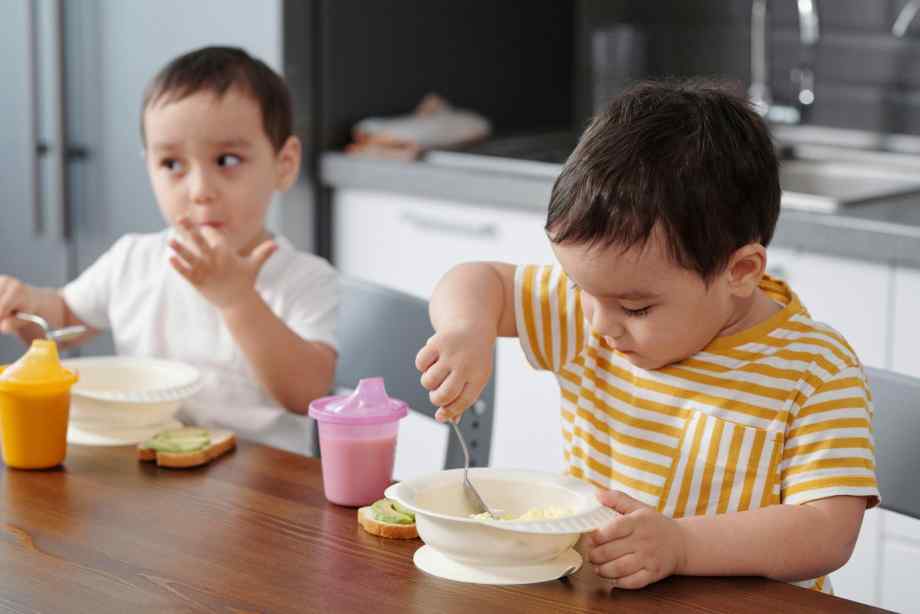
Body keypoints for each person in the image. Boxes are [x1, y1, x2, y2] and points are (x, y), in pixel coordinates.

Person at [415, 79, 878, 593]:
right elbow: (478, 280)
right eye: (580, 289)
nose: (598, 324)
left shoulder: (815, 369)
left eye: (636, 308)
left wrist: (681, 545)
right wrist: (467, 329)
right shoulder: (599, 301)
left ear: (740, 272)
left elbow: (827, 531)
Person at [0, 46, 338, 455]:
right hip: (148, 478)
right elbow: (61, 321)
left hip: (262, 498)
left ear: (283, 164)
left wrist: (236, 299)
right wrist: (25, 306)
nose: (199, 192)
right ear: (149, 167)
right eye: (172, 165)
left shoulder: (306, 279)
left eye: (227, 160)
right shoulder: (132, 260)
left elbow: (307, 395)